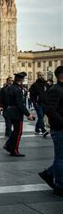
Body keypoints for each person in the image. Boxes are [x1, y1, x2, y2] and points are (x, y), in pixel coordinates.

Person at [38, 66, 63, 196]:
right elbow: (50, 109)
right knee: (60, 158)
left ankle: (48, 174)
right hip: (59, 129)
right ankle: (59, 186)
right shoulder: (56, 90)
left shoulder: (60, 89)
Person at [3, 72, 35, 157]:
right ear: (21, 79)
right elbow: (20, 104)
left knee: (15, 131)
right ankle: (14, 150)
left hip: (10, 111)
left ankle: (8, 145)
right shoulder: (18, 89)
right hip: (17, 113)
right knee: (18, 132)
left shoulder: (10, 88)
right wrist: (28, 114)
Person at [29, 72, 49, 137]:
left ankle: (37, 129)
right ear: (37, 76)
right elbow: (31, 95)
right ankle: (43, 130)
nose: (41, 76)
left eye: (42, 75)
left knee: (41, 117)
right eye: (40, 75)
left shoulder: (46, 84)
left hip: (45, 103)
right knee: (40, 116)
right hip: (38, 103)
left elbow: (48, 93)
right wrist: (34, 102)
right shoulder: (34, 85)